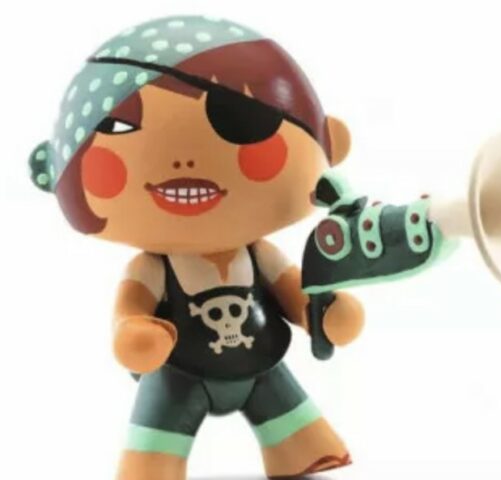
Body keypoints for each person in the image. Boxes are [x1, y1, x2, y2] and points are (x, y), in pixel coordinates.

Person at [28, 15, 364, 480]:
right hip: (176, 375)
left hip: (261, 364)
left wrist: (322, 315)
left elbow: (296, 292)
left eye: (240, 122)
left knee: (296, 428)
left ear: (329, 142)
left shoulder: (261, 256)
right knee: (155, 448)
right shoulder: (151, 268)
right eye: (121, 127)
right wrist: (135, 334)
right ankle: (153, 466)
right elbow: (130, 312)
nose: (183, 162)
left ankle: (300, 450)